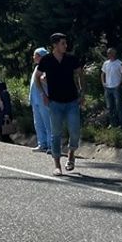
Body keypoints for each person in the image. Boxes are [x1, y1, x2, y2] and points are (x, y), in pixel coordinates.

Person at [35, 33, 84, 175]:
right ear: (55, 45)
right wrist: (43, 94)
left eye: (65, 43)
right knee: (56, 133)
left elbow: (80, 73)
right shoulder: (46, 60)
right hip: (54, 102)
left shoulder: (71, 59)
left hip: (72, 101)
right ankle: (57, 164)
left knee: (75, 131)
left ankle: (71, 153)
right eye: (63, 43)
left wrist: (82, 92)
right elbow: (37, 77)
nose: (65, 46)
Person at [29, 48, 52, 152]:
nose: (34, 57)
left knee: (47, 122)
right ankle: (42, 144)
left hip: (44, 98)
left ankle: (51, 145)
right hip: (35, 99)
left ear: (40, 56)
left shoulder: (48, 66)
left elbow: (47, 79)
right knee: (38, 123)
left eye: (35, 55)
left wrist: (43, 78)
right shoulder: (37, 68)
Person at [101, 48, 122, 127]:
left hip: (116, 87)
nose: (109, 54)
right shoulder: (106, 63)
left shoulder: (119, 63)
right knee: (109, 106)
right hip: (108, 87)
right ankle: (112, 123)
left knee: (118, 106)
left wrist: (119, 84)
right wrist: (103, 82)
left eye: (111, 53)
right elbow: (103, 73)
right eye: (108, 53)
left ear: (114, 54)